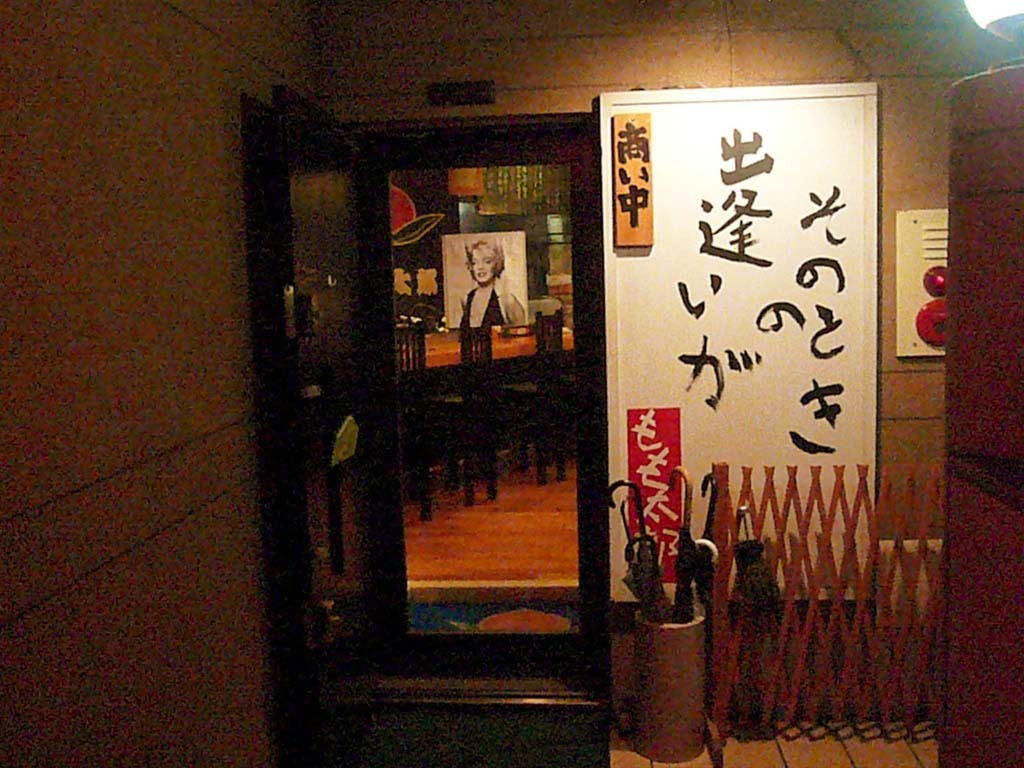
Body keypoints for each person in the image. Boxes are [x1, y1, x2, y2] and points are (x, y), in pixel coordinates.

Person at [459, 238, 526, 329]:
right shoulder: (466, 299)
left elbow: (521, 333)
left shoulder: (508, 301)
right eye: (475, 262)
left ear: (496, 264)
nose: (480, 267)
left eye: (487, 261)